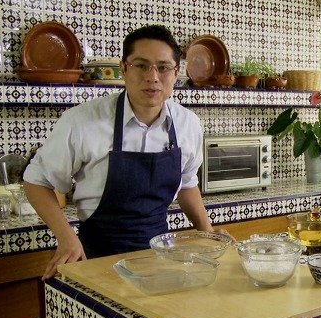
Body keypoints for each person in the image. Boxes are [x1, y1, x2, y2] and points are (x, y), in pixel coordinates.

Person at [23, 24, 228, 280]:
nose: (153, 77)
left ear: (177, 73)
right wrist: (67, 239)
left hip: (160, 261)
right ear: (123, 69)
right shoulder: (81, 121)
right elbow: (36, 181)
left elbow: (187, 183)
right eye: (141, 65)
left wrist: (207, 232)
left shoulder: (187, 124)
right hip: (96, 258)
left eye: (163, 68)